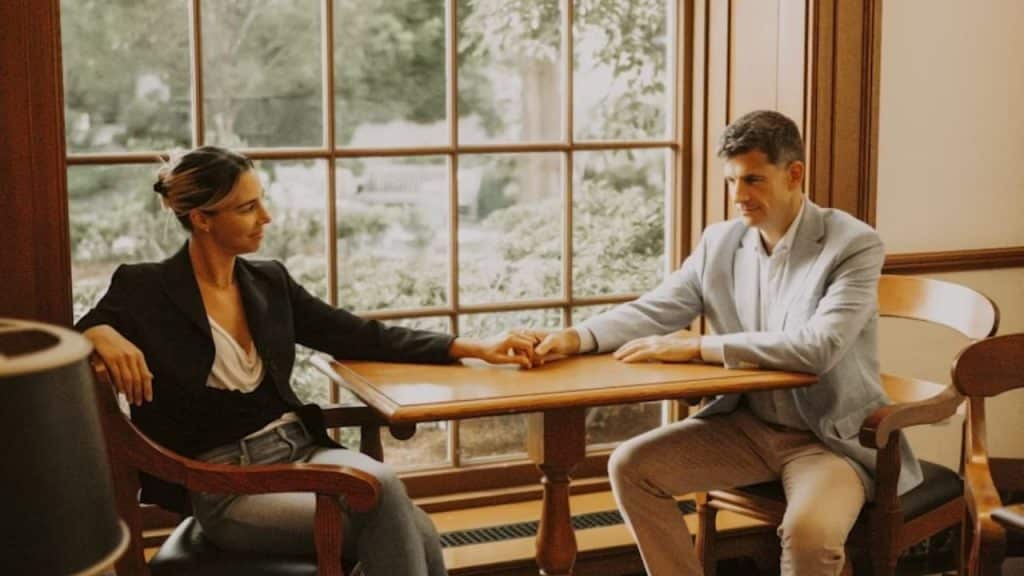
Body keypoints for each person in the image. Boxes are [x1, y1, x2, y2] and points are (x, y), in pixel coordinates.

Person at [76, 146, 538, 576]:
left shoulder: (269, 282)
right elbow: (75, 335)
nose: (266, 216)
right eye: (247, 207)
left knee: (408, 520)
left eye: (262, 200)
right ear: (201, 219)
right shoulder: (146, 288)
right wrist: (100, 332)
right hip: (226, 484)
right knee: (395, 509)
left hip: (300, 451)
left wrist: (470, 346)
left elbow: (359, 335)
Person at [529, 110, 922, 575]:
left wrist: (699, 348)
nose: (738, 196)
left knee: (810, 536)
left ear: (794, 174)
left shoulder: (852, 244)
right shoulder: (720, 242)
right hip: (746, 428)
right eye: (731, 180)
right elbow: (657, 308)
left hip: (829, 440)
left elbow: (818, 347)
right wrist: (577, 336)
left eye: (752, 179)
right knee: (631, 467)